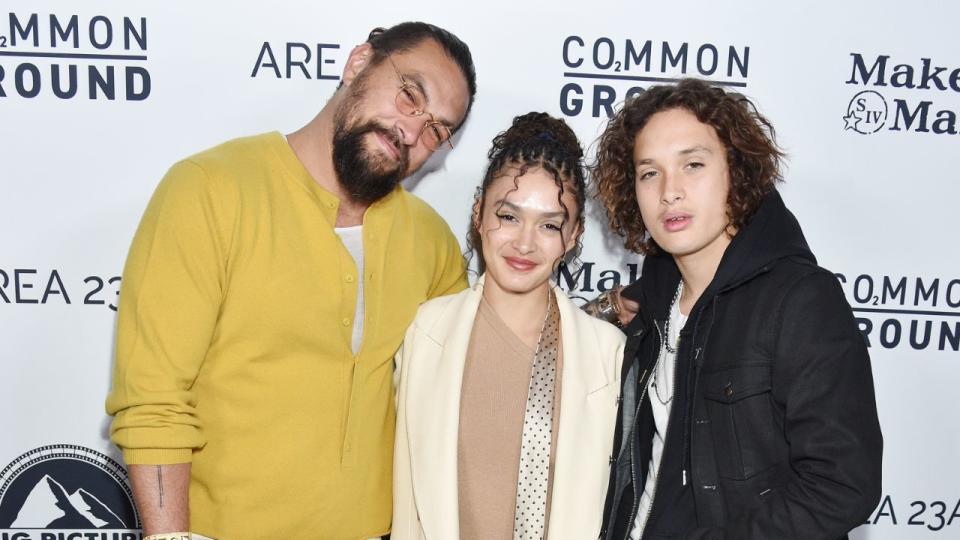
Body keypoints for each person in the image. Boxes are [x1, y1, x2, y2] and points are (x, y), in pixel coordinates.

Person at [105, 22, 476, 540]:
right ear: (359, 63)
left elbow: (467, 385)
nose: (412, 131)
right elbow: (153, 402)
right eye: (410, 94)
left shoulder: (432, 242)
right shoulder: (210, 190)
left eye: (437, 129)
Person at [594, 79, 882, 539]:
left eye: (692, 165)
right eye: (649, 172)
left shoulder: (800, 300)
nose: (670, 191)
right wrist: (606, 308)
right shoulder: (658, 294)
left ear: (737, 171)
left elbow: (842, 485)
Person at [392, 112, 625, 539]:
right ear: (479, 213)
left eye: (549, 225)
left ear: (572, 237)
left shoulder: (607, 353)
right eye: (509, 216)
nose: (524, 243)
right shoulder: (425, 333)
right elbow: (407, 497)